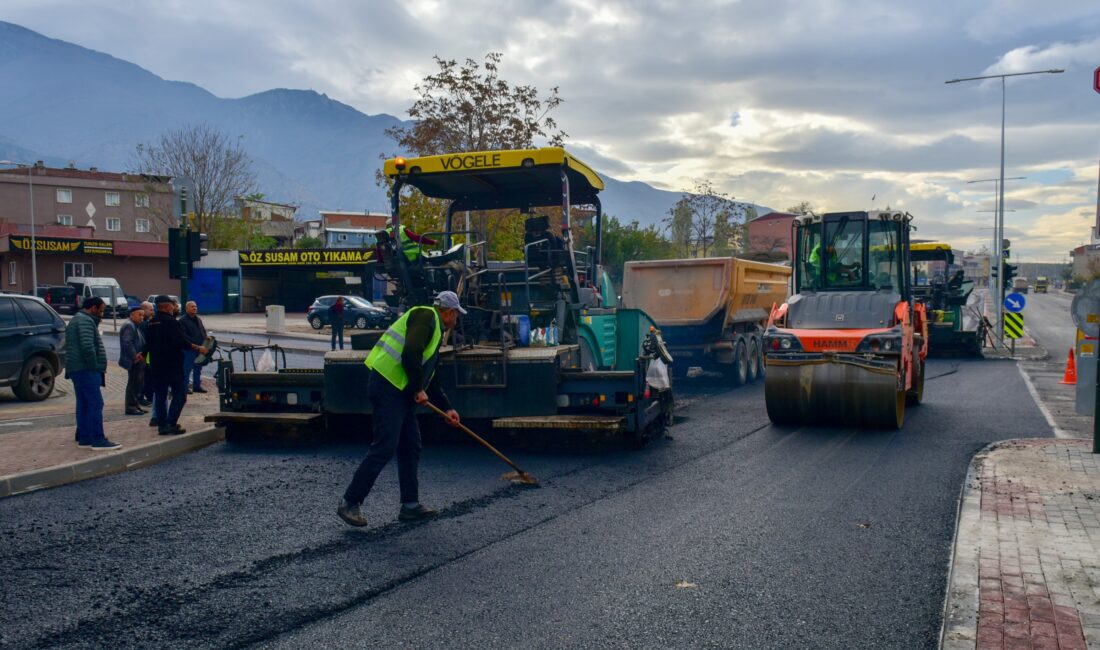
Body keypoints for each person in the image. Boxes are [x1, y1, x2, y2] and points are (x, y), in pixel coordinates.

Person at [338, 291, 465, 527]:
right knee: (385, 445)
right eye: (456, 315)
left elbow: (431, 378)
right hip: (388, 386)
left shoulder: (435, 330)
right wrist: (417, 389)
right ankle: (350, 502)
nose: (456, 320)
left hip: (400, 390)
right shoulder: (425, 316)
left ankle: (410, 506)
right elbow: (410, 353)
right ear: (448, 312)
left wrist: (447, 409)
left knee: (411, 444)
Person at [146, 295, 206, 435]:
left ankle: (162, 425)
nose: (174, 307)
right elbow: (181, 341)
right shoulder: (172, 322)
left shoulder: (151, 322)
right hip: (172, 365)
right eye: (173, 305)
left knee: (160, 396)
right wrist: (198, 348)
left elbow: (147, 344)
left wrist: (142, 356)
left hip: (156, 365)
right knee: (180, 394)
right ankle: (171, 422)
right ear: (167, 306)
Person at [65, 297, 120, 449]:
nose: (102, 314)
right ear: (93, 308)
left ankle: (85, 437)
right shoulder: (85, 321)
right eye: (101, 310)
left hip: (77, 368)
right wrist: (94, 366)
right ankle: (98, 439)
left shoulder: (78, 319)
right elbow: (88, 347)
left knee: (83, 403)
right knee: (96, 403)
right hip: (86, 369)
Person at [119, 305, 148, 416]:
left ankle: (135, 405)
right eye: (139, 315)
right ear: (132, 315)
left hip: (138, 360)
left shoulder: (135, 325)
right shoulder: (129, 325)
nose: (142, 317)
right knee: (133, 384)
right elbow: (127, 343)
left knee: (138, 384)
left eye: (142, 315)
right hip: (134, 361)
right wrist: (135, 356)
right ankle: (131, 407)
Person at [179, 300, 208, 393]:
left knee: (198, 368)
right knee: (187, 369)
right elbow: (183, 336)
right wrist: (194, 344)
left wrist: (206, 339)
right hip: (189, 349)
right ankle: (185, 387)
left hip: (200, 348)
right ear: (186, 309)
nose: (194, 308)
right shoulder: (183, 320)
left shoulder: (198, 319)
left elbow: (202, 331)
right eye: (192, 306)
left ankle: (197, 386)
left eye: (195, 306)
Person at [139, 301, 155, 407]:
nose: (153, 312)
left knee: (148, 375)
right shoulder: (143, 323)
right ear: (144, 310)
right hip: (144, 354)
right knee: (144, 376)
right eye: (151, 309)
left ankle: (148, 396)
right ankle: (141, 397)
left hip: (147, 354)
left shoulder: (146, 322)